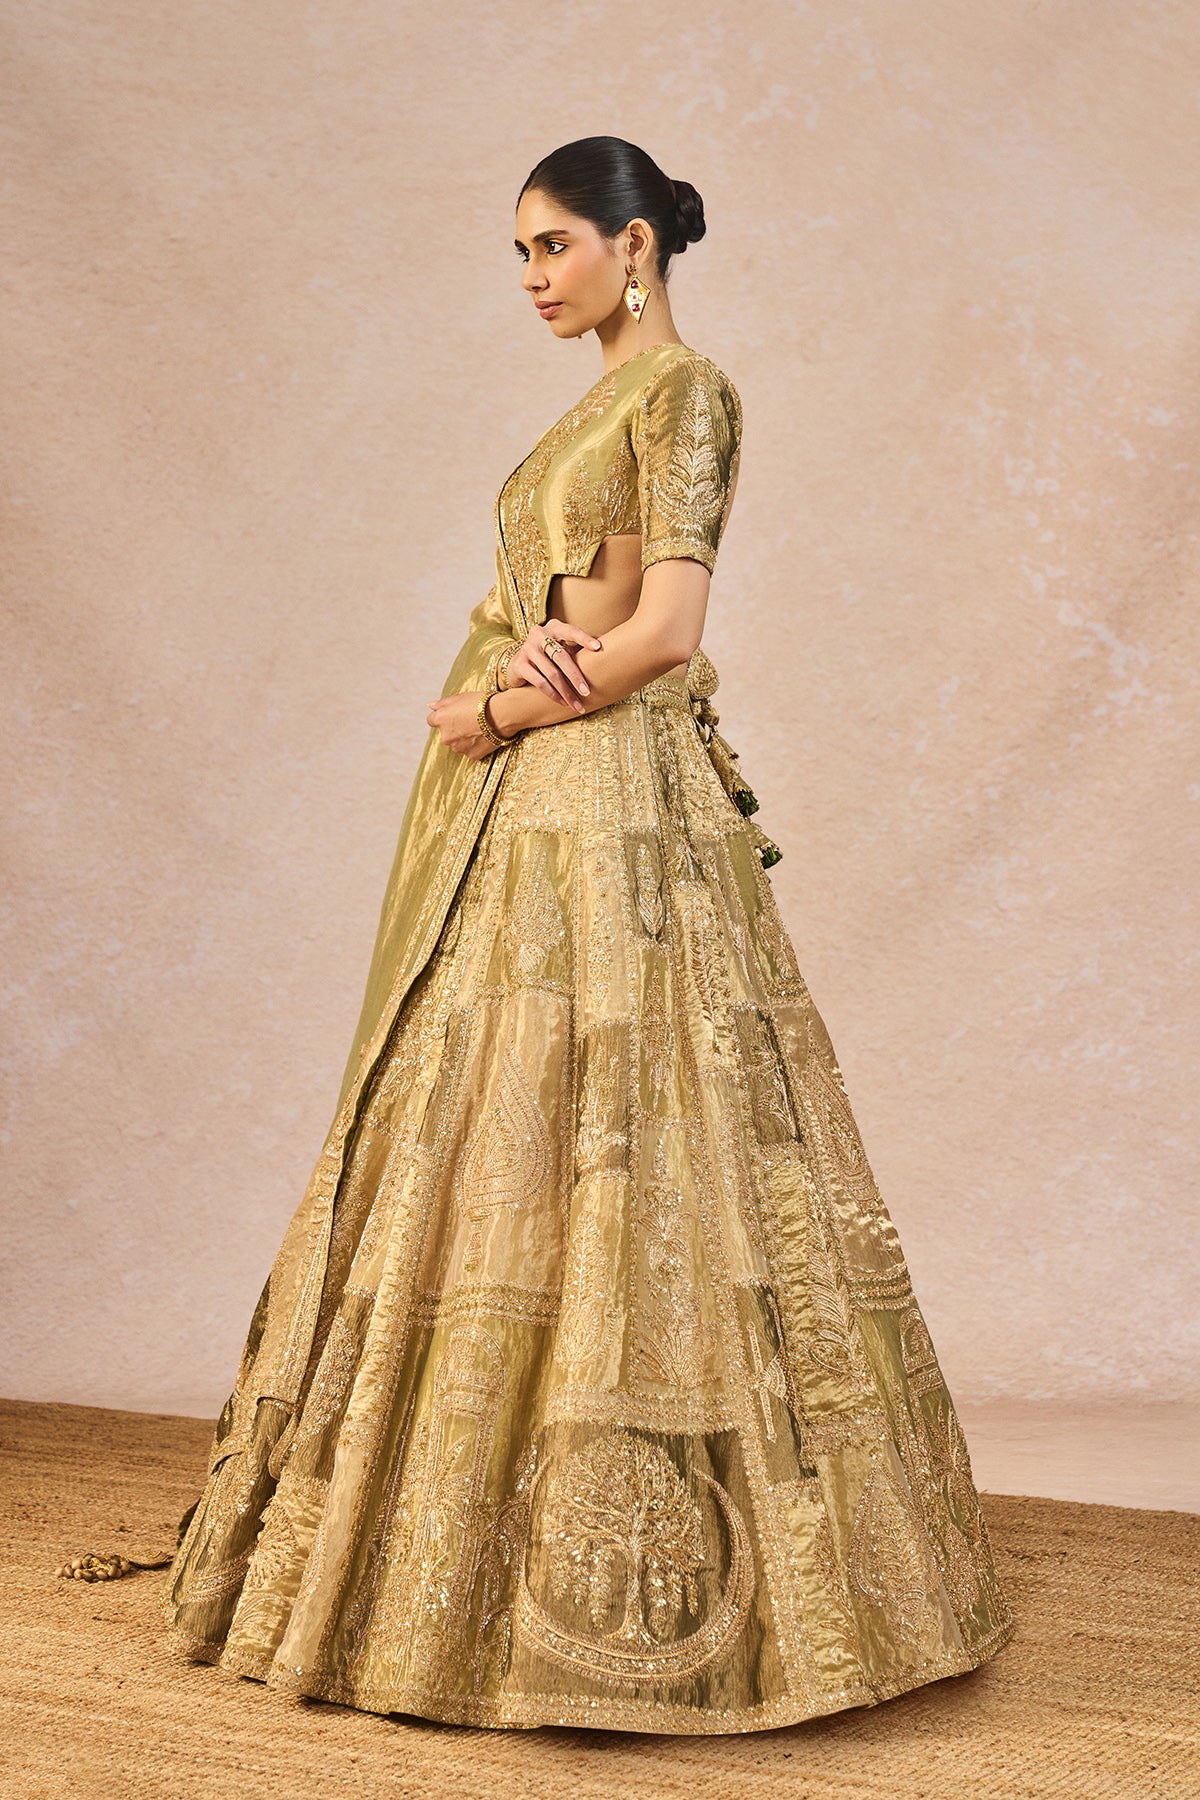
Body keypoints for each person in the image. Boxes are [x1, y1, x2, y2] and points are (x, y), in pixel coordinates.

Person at [152, 135, 1012, 1732]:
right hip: (540, 804)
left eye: (554, 244)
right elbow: (585, 607)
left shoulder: (685, 393)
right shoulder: (599, 406)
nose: (535, 276)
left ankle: (692, 1579)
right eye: (522, 253)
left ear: (636, 246)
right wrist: (525, 660)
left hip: (606, 805)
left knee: (643, 1133)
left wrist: (493, 706)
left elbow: (664, 630)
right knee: (510, 1127)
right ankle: (451, 1552)